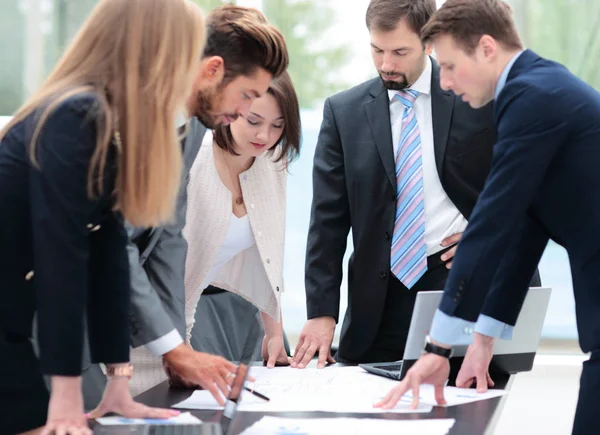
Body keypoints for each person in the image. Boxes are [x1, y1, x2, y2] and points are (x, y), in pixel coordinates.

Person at [375, 1, 600, 434]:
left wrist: (438, 347)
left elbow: (491, 224)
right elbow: (524, 229)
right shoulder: (530, 90)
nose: (444, 81)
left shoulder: (536, 98)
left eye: (451, 66)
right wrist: (481, 340)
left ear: (487, 48)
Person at [292, 0, 540, 368]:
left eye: (399, 52)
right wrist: (322, 311)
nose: (386, 64)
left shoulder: (477, 94)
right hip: (377, 307)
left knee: (465, 415)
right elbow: (326, 223)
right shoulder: (342, 113)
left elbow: (526, 185)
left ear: (428, 42)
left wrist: (489, 234)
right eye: (377, 50)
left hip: (463, 289)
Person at [0, 0, 206, 434]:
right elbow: (62, 261)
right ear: (155, 53)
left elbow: (109, 253)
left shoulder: (106, 125)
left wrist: (118, 380)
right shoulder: (73, 117)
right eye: (187, 56)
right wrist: (67, 395)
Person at [125, 5, 290, 398]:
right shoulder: (127, 115)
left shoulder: (190, 126)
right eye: (247, 96)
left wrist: (177, 347)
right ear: (213, 70)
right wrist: (173, 348)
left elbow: (167, 239)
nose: (246, 112)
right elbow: (116, 246)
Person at [183, 71, 300, 372]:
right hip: (161, 314)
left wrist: (274, 331)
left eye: (278, 125)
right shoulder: (194, 159)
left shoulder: (273, 161)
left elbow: (270, 248)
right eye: (253, 121)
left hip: (197, 311)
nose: (264, 136)